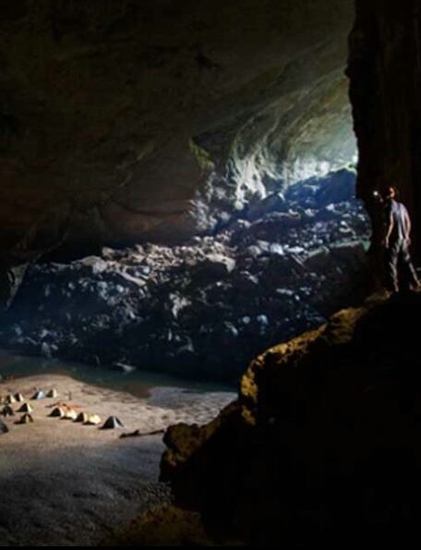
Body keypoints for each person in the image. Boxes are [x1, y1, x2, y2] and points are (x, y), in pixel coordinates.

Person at [382, 186, 420, 293]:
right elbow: (408, 221)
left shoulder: (389, 206)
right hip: (403, 239)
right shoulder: (402, 206)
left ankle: (394, 288)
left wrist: (386, 237)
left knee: (391, 263)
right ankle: (415, 282)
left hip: (395, 239)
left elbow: (390, 223)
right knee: (407, 262)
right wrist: (407, 235)